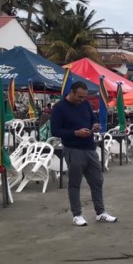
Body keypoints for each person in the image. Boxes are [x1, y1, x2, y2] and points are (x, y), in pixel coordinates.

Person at [50, 81, 117, 226]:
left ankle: (100, 213)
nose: (82, 100)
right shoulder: (59, 108)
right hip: (73, 149)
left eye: (84, 97)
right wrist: (75, 133)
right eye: (80, 97)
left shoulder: (85, 104)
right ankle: (77, 215)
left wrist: (95, 125)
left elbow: (92, 119)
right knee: (75, 184)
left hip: (90, 148)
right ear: (72, 92)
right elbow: (55, 131)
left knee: (97, 181)